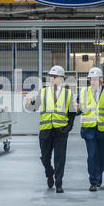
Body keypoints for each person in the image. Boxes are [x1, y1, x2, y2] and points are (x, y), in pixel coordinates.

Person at [25, 65, 75, 193]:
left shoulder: (68, 93)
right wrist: (28, 103)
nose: (51, 79)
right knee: (45, 158)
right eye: (50, 77)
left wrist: (68, 128)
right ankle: (49, 173)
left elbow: (72, 112)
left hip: (61, 131)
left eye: (54, 77)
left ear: (61, 79)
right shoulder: (43, 92)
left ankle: (59, 183)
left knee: (60, 158)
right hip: (46, 130)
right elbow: (33, 108)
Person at [76, 67, 104, 192]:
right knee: (92, 154)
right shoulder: (83, 92)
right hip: (89, 130)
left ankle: (98, 174)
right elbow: (78, 111)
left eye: (95, 79)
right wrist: (76, 108)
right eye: (91, 79)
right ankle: (93, 181)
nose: (93, 81)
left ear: (101, 80)